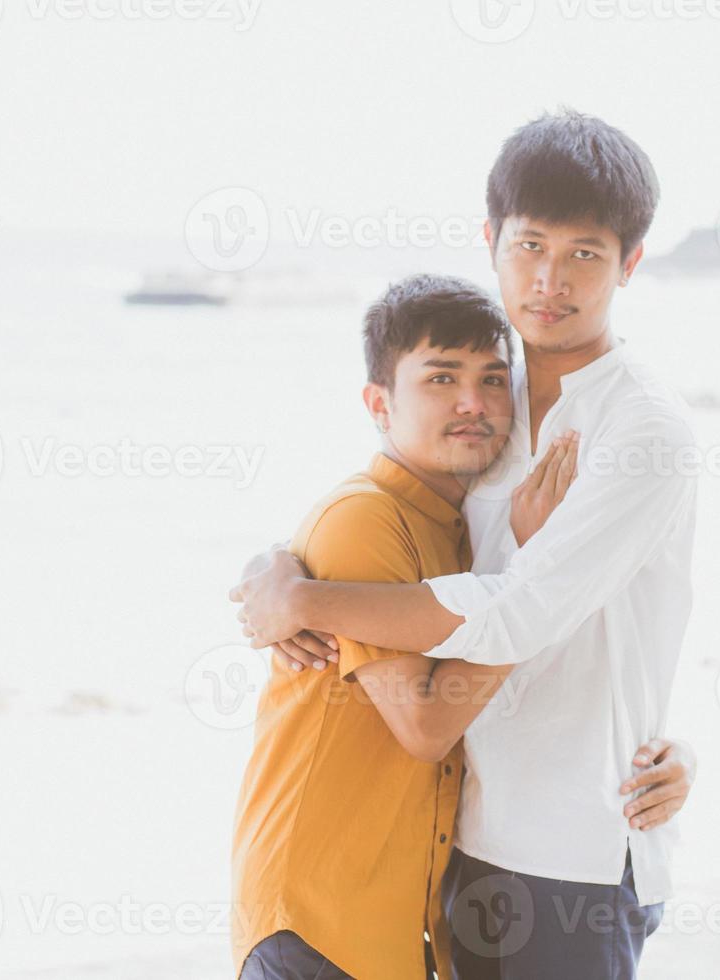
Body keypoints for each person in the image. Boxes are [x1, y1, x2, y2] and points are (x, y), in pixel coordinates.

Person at [232, 109, 698, 979]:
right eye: (530, 246)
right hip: (460, 844)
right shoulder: (493, 402)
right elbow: (391, 514)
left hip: (574, 857)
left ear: (630, 264)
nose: (550, 279)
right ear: (491, 242)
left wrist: (307, 601)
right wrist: (281, 562)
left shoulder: (643, 431)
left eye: (585, 254)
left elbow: (523, 610)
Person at [232, 274, 580, 979]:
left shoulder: (456, 528)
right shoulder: (364, 519)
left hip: (384, 932)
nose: (472, 403)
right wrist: (534, 570)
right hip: (314, 924)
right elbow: (426, 723)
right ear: (379, 404)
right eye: (441, 377)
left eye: (491, 379)